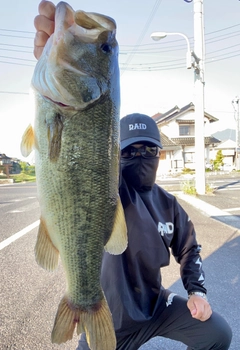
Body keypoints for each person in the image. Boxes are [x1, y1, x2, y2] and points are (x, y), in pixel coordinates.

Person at [33, 2, 232, 349]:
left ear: (161, 153)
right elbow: (86, 169)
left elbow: (190, 248)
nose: (140, 157)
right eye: (129, 151)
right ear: (114, 155)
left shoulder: (169, 205)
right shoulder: (112, 188)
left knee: (219, 333)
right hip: (107, 314)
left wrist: (196, 291)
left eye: (149, 150)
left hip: (157, 309)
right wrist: (50, 57)